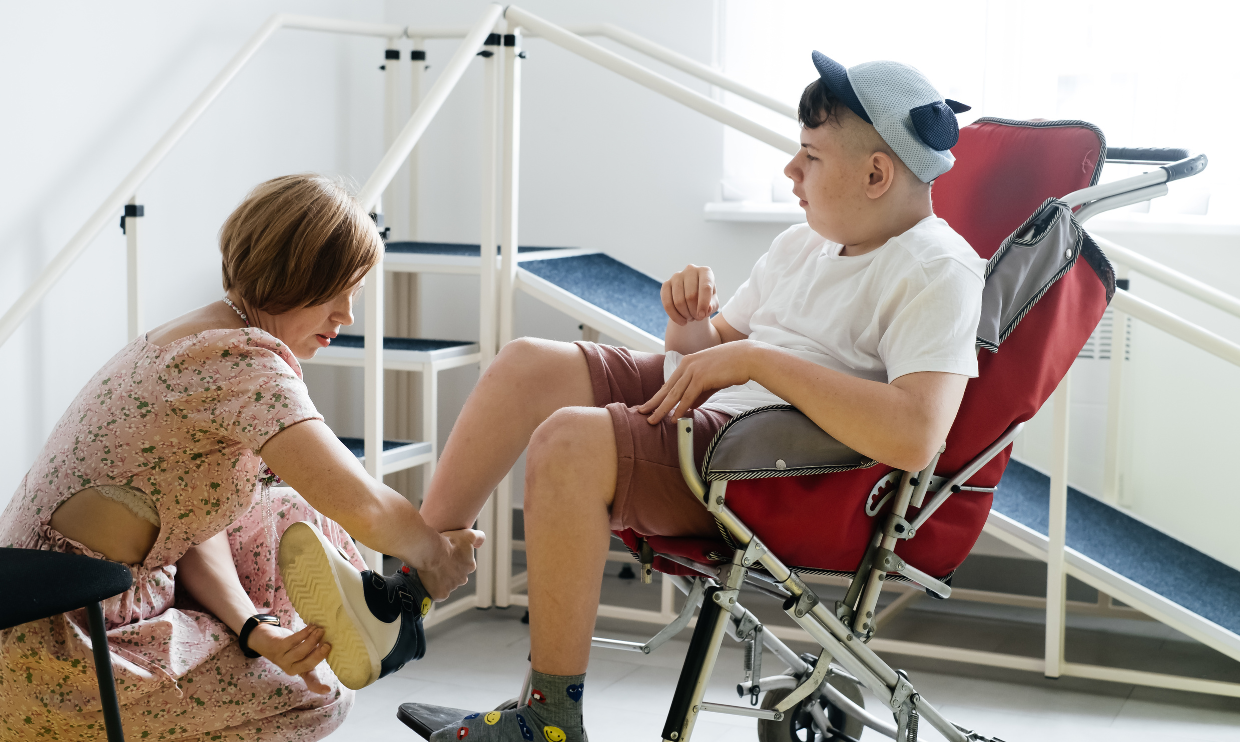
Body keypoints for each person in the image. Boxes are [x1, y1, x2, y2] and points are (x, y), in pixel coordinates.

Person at [283, 52, 987, 742]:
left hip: (772, 472)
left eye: (810, 156)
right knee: (529, 364)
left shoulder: (937, 268)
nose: (789, 170)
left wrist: (756, 361)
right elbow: (701, 358)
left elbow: (915, 434)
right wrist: (690, 318)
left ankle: (550, 718)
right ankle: (408, 596)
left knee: (570, 438)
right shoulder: (805, 245)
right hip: (720, 426)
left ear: (876, 173)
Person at [0, 174, 483, 741]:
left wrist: (255, 630)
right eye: (334, 290)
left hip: (72, 600)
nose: (347, 314)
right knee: (315, 699)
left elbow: (194, 521)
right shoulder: (240, 364)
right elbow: (365, 507)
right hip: (61, 648)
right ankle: (374, 621)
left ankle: (349, 622)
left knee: (289, 512)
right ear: (290, 275)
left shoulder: (193, 334)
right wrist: (433, 552)